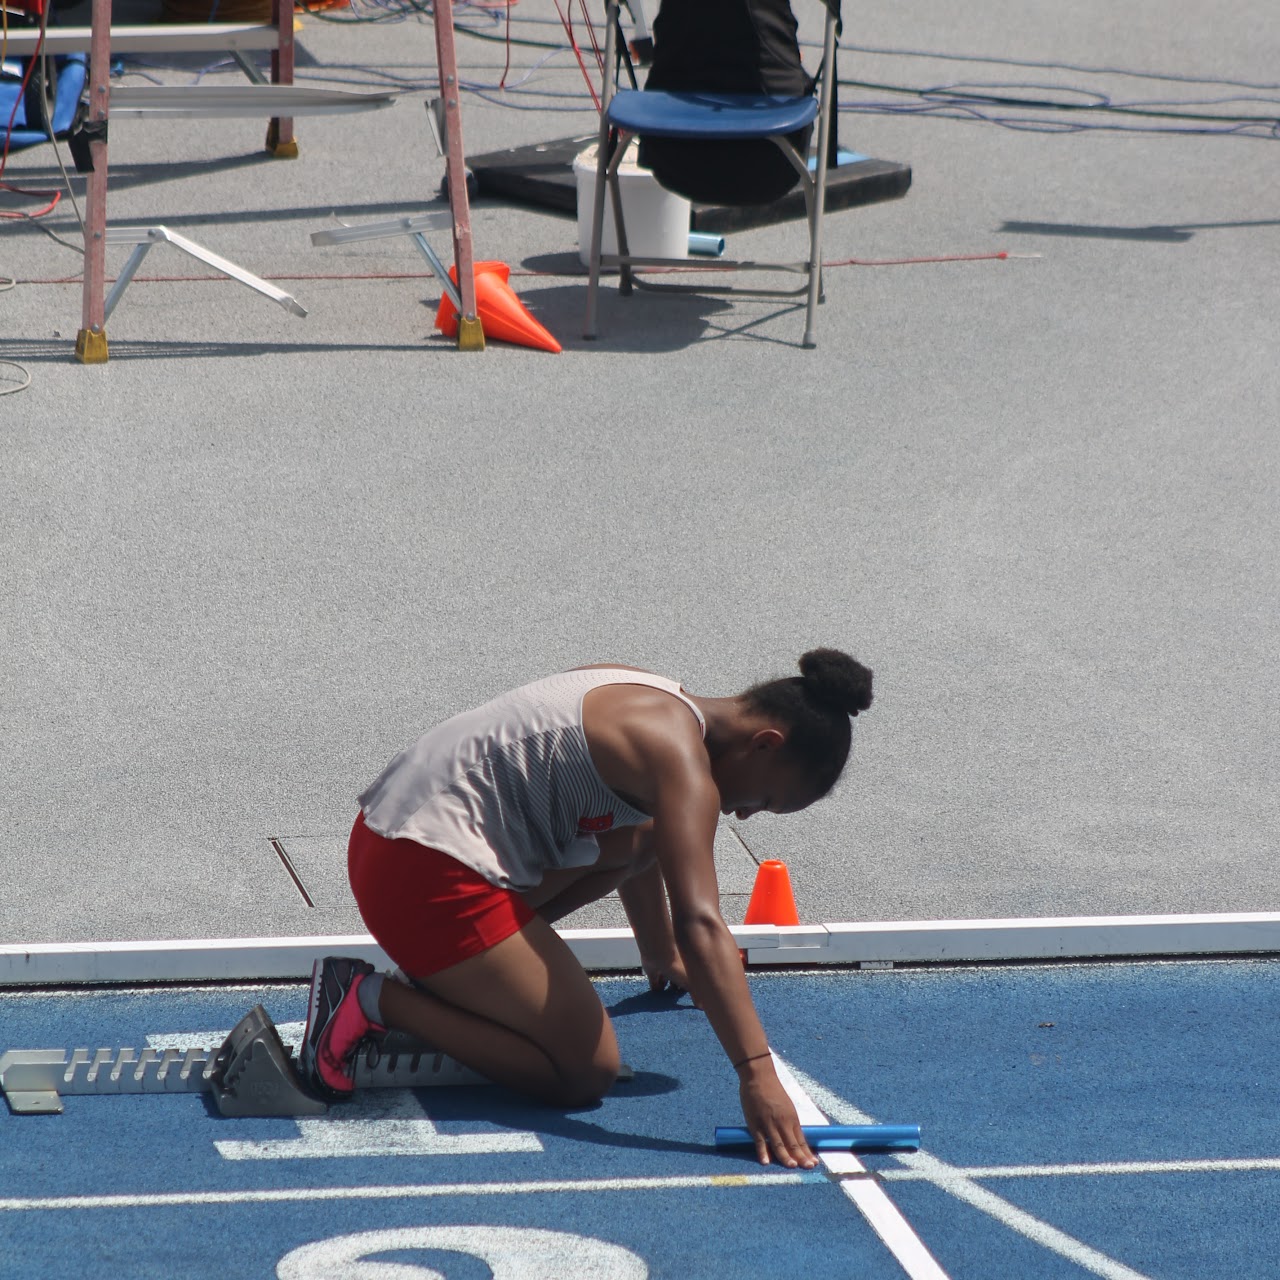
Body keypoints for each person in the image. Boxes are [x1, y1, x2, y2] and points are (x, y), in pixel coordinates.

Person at [300, 648, 872, 1169]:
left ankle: (482, 972)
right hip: (421, 876)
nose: (744, 815)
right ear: (765, 742)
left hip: (388, 838)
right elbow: (701, 922)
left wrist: (665, 955)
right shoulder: (682, 765)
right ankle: (373, 998)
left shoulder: (648, 688)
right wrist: (758, 1077)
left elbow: (643, 836)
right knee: (582, 1070)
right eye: (764, 801)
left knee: (646, 831)